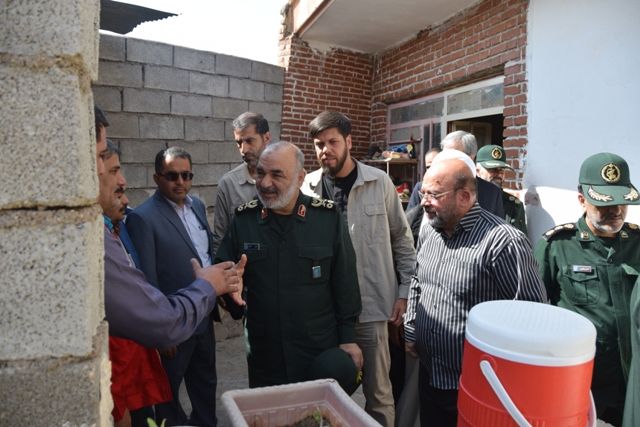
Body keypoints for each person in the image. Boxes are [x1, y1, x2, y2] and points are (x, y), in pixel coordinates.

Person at [405, 155, 547, 426]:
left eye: (434, 195)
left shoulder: (503, 242)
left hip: (477, 386)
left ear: (465, 196)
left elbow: (530, 317)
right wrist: (412, 328)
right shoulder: (430, 230)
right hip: (430, 374)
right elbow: (417, 280)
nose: (424, 202)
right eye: (423, 193)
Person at [215, 141, 363, 392]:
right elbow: (225, 276)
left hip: (316, 350)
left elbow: (345, 282)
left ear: (300, 178)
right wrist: (229, 292)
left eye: (277, 175)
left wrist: (348, 338)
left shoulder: (327, 219)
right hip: (265, 354)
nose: (265, 183)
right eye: (260, 173)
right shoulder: (244, 221)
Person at [302, 112, 416, 427]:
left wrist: (405, 292)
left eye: (333, 142)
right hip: (324, 312)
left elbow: (402, 240)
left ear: (349, 142)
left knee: (379, 393)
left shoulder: (379, 182)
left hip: (372, 308)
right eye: (319, 144)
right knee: (323, 389)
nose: (326, 150)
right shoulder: (308, 187)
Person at [535, 152, 640, 426]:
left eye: (621, 202)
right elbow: (534, 316)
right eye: (605, 204)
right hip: (581, 383)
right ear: (582, 199)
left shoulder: (637, 243)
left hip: (630, 381)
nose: (615, 210)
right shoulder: (557, 246)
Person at [126, 147, 220, 427]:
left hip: (203, 315)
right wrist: (161, 332)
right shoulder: (143, 217)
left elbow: (205, 255)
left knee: (205, 383)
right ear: (157, 178)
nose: (180, 182)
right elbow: (148, 279)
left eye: (186, 175)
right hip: (173, 323)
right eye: (172, 176)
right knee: (168, 392)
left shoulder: (197, 206)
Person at [100, 140, 171, 427]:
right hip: (119, 354)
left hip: (137, 348)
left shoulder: (121, 228)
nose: (123, 184)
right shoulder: (133, 222)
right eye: (113, 172)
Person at [211, 112, 271, 256]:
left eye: (249, 141)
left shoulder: (285, 178)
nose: (243, 150)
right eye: (239, 143)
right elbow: (220, 238)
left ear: (266, 138)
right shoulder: (228, 184)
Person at [440, 130, 504, 217]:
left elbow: (498, 224)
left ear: (471, 156)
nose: (446, 159)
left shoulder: (492, 193)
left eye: (453, 155)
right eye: (444, 155)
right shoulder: (429, 188)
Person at [475, 144, 527, 234]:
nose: (498, 174)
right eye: (492, 169)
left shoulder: (514, 205)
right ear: (477, 171)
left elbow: (518, 239)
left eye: (501, 170)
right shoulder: (468, 201)